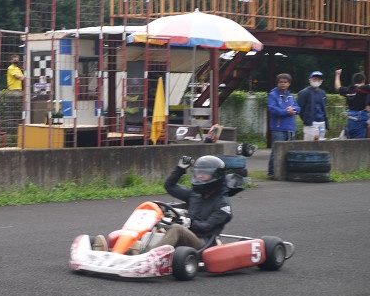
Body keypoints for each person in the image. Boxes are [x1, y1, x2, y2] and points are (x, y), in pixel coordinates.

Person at [92, 155, 238, 254]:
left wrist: (188, 223)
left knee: (176, 229)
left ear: (216, 176)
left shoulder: (223, 205)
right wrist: (180, 169)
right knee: (157, 223)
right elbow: (170, 186)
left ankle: (148, 255)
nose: (199, 176)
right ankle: (118, 250)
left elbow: (207, 227)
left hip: (204, 243)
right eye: (198, 173)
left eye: (204, 174)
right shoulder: (195, 194)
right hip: (188, 235)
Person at [267, 73, 300, 178]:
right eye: (281, 82)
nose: (283, 84)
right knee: (277, 150)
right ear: (277, 83)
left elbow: (298, 107)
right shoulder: (273, 95)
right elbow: (272, 109)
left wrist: (294, 110)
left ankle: (287, 171)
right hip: (278, 128)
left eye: (285, 82)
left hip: (290, 128)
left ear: (289, 84)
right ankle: (272, 172)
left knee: (289, 151)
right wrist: (286, 112)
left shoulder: (291, 96)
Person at [334, 69, 370, 139]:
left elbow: (338, 87)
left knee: (350, 140)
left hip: (350, 119)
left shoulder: (348, 90)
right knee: (359, 142)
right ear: (363, 81)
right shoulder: (363, 89)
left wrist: (337, 75)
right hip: (360, 119)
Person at [297, 70, 328, 141]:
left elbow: (323, 107)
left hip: (322, 123)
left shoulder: (322, 93)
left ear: (321, 81)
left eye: (318, 79)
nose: (316, 81)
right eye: (314, 79)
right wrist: (307, 119)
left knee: (321, 142)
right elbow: (300, 109)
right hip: (311, 124)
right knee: (310, 144)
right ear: (310, 80)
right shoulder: (304, 92)